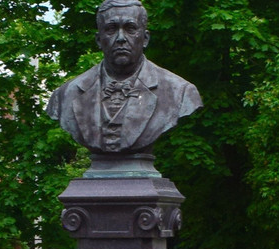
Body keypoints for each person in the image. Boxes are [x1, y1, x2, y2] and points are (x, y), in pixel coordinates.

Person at [46, 0, 201, 154]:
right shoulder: (65, 95)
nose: (121, 38)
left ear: (145, 38)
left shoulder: (180, 92)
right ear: (99, 40)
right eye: (111, 29)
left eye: (130, 28)